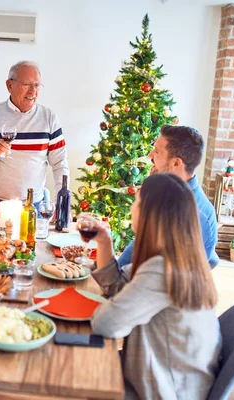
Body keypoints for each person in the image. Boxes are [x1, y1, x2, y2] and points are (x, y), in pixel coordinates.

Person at [80, 174, 222, 400]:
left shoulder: (163, 269)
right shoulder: (180, 256)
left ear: (150, 213)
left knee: (71, 371)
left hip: (163, 390)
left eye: (136, 201)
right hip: (176, 380)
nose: (132, 208)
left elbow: (106, 325)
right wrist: (105, 241)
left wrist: (117, 305)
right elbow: (117, 286)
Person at [0, 60, 69, 215]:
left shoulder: (49, 118)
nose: (33, 91)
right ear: (9, 85)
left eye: (37, 85)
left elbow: (60, 163)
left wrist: (62, 203)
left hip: (33, 206)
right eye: (26, 84)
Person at [120, 124, 219, 268]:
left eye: (157, 152)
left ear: (176, 163)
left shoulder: (197, 215)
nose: (150, 156)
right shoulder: (165, 194)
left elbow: (174, 279)